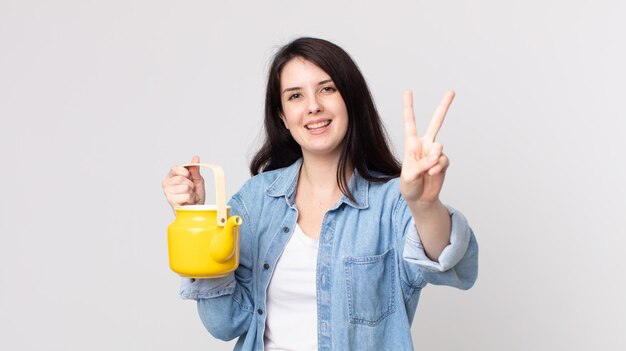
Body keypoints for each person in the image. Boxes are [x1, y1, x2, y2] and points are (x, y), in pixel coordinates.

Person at [162, 37, 478, 351]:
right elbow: (225, 323)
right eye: (295, 95)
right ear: (283, 116)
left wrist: (424, 205)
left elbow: (452, 265)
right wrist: (198, 223)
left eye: (327, 89)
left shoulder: (392, 201)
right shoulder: (256, 201)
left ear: (350, 100)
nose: (313, 106)